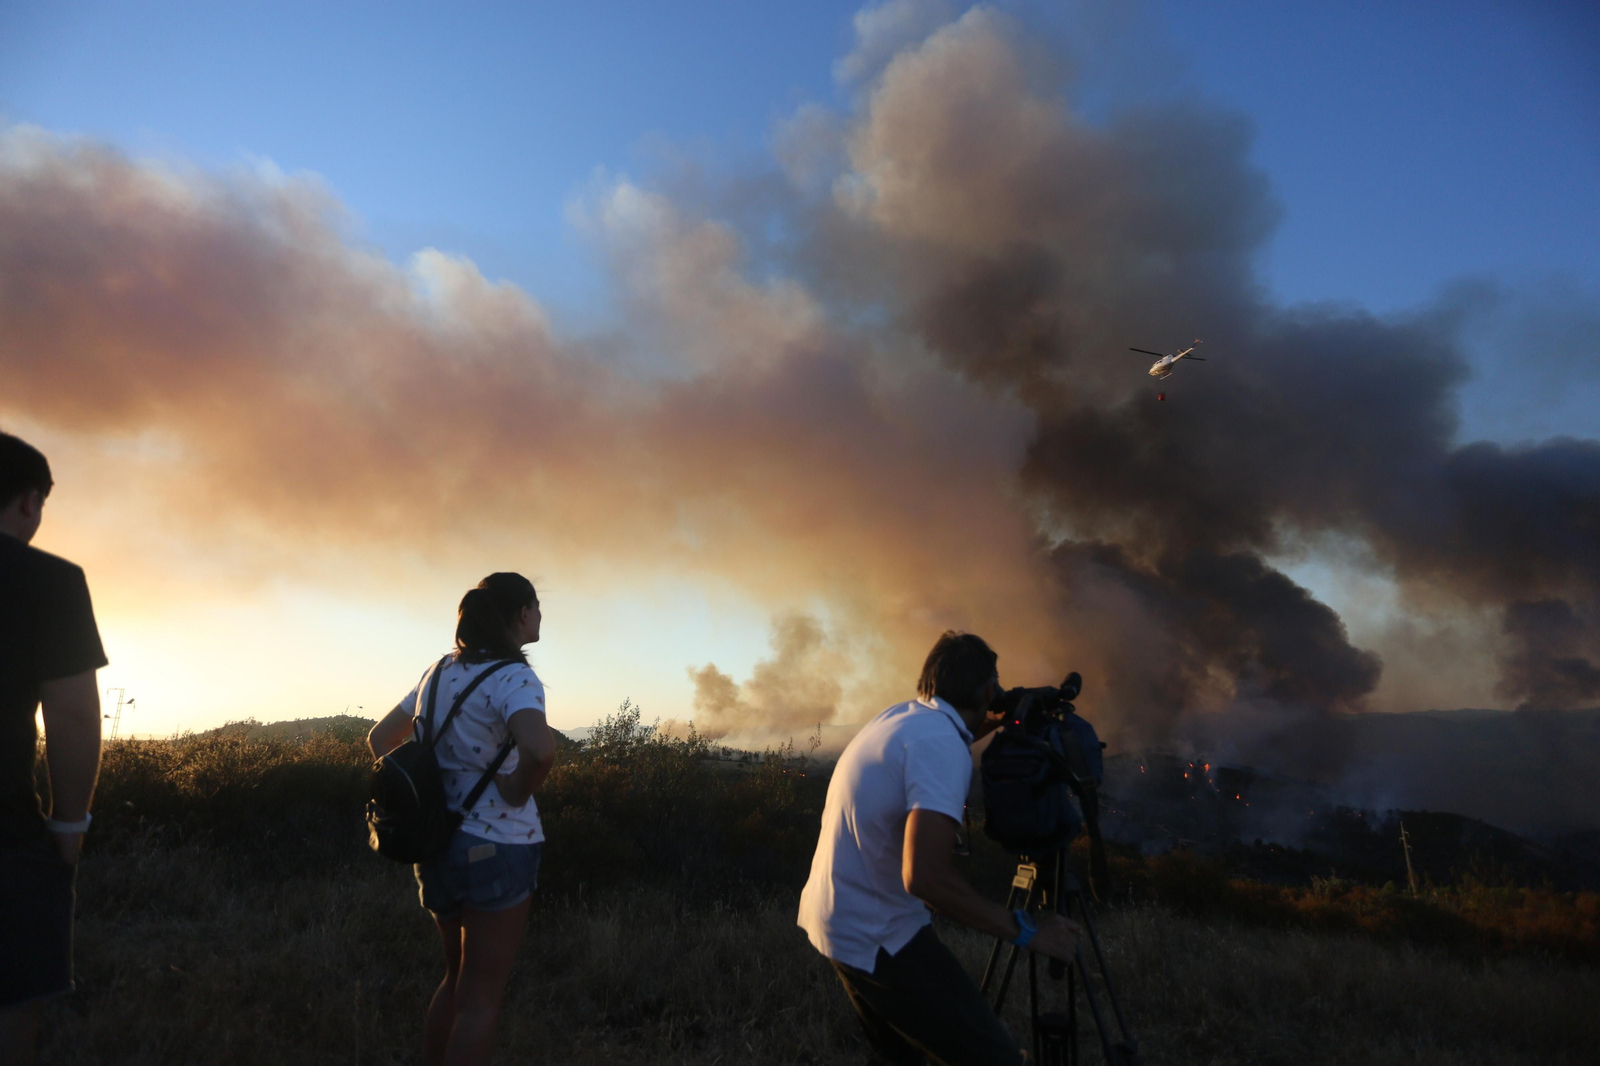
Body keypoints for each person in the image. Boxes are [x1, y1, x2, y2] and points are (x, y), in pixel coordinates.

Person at [798, 631, 1080, 1065]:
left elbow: (946, 741)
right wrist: (1028, 930)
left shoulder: (903, 719)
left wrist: (998, 719)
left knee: (903, 1053)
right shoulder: (940, 746)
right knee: (995, 1057)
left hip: (837, 917)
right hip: (880, 934)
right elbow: (925, 878)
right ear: (988, 689)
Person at [367, 572, 557, 1066]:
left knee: (454, 982)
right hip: (500, 847)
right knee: (481, 1000)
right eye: (536, 606)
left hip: (437, 845)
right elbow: (539, 751)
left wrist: (439, 772)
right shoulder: (514, 677)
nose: (540, 615)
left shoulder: (438, 673)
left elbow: (379, 740)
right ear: (520, 614)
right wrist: (514, 790)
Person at [0, 432, 107, 1065]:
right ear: (28, 503)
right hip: (6, 834)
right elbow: (71, 715)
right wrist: (70, 825)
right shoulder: (51, 581)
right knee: (12, 1005)